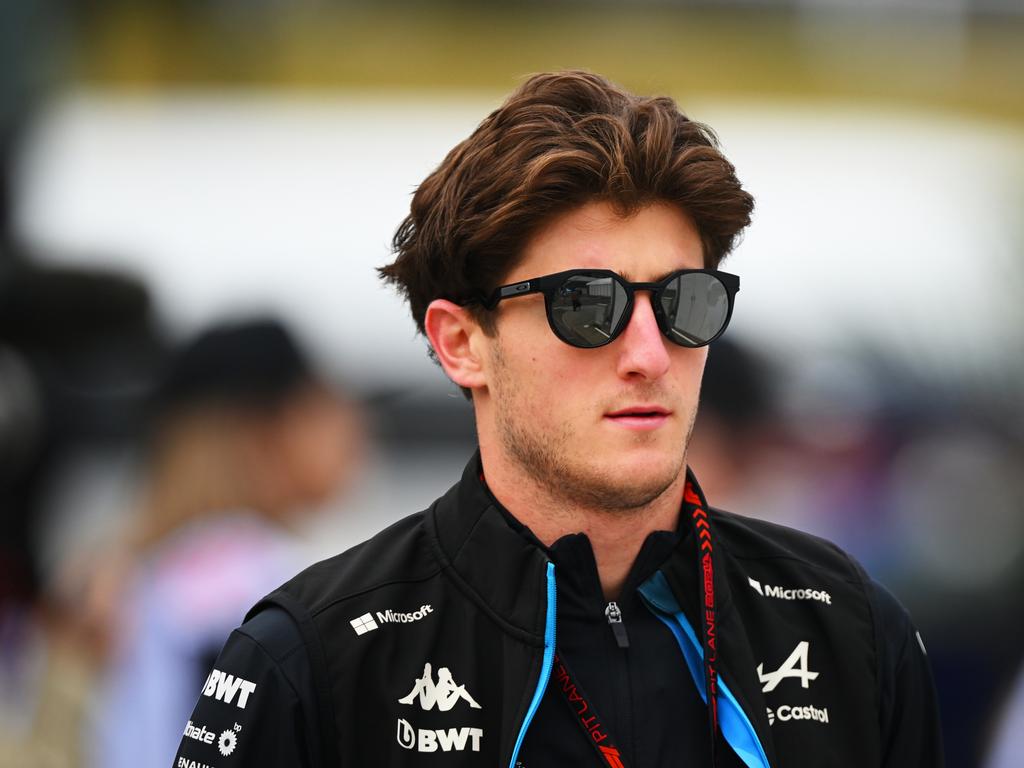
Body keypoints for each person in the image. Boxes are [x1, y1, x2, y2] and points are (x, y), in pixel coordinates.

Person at [171, 71, 943, 767]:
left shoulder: (849, 632)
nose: (649, 352)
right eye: (588, 305)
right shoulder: (314, 658)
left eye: (687, 303)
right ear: (462, 343)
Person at [88, 318, 360, 768]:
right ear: (263, 429)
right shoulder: (268, 578)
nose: (354, 424)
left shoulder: (126, 581)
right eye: (320, 404)